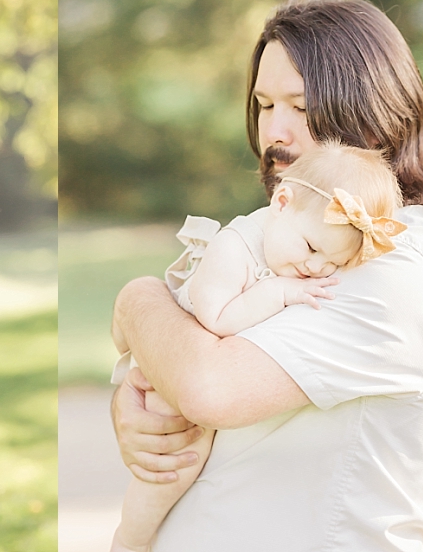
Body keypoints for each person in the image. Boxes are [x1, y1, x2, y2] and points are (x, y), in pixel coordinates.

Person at [110, 0, 423, 551]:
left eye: (301, 108)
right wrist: (139, 413)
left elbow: (211, 387)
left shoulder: (393, 261)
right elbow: (184, 361)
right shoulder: (299, 232)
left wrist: (135, 302)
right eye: (263, 105)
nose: (274, 132)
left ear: (375, 113)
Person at [110, 142, 407, 552]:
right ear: (282, 202)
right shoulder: (235, 248)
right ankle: (130, 539)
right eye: (312, 249)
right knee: (173, 464)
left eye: (333, 264)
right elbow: (218, 319)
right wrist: (279, 292)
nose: (317, 268)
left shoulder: (294, 241)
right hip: (176, 366)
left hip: (206, 361)